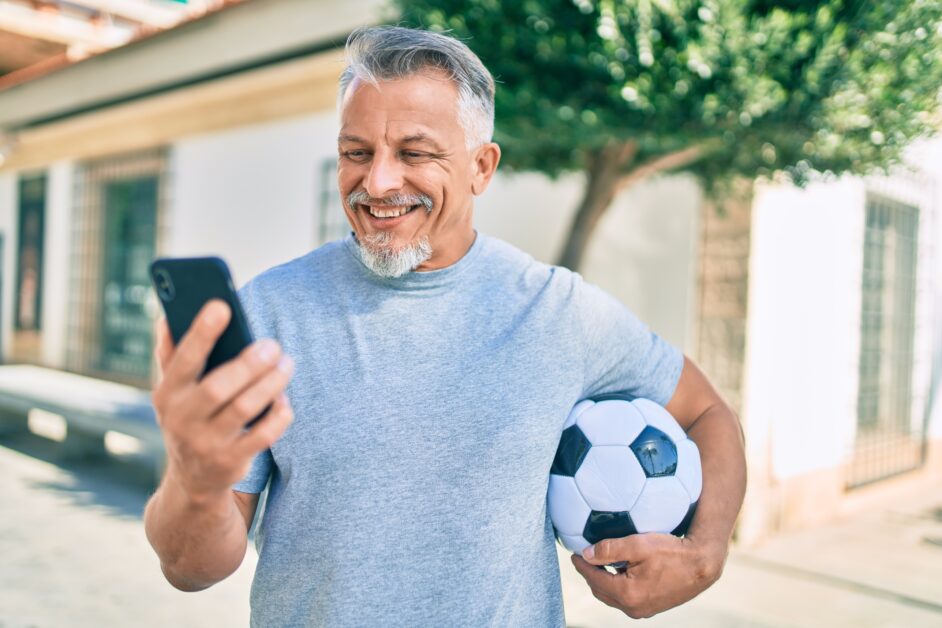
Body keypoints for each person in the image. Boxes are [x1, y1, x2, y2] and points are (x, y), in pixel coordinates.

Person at [144, 26, 746, 627]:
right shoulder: (268, 315)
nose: (377, 182)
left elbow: (708, 414)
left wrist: (705, 553)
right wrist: (195, 482)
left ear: (481, 167)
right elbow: (192, 570)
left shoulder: (558, 311)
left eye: (414, 153)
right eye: (357, 152)